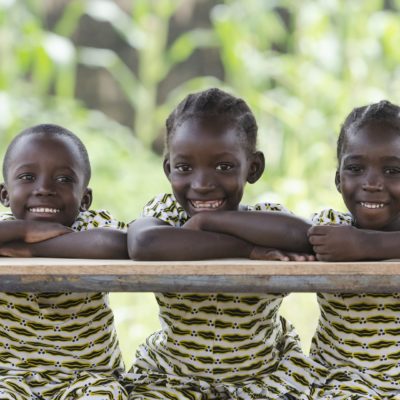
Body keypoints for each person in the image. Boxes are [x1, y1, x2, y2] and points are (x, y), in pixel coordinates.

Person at [126, 88, 320, 399]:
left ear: (253, 168)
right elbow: (143, 244)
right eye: (185, 168)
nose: (202, 184)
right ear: (168, 169)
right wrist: (245, 251)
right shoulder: (166, 216)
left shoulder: (264, 221)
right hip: (173, 377)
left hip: (264, 376)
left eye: (224, 167)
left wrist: (208, 222)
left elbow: (306, 237)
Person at [0, 124, 128, 399]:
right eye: (27, 177)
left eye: (64, 179)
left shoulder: (93, 225)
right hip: (9, 376)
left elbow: (114, 244)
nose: (44, 189)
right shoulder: (4, 230)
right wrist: (21, 230)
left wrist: (32, 249)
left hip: (90, 376)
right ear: (5, 194)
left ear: (85, 199)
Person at [308, 100, 400, 398]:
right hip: (333, 382)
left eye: (392, 170)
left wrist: (367, 244)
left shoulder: (350, 240)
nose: (372, 183)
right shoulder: (333, 228)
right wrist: (212, 220)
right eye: (356, 168)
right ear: (338, 179)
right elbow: (283, 228)